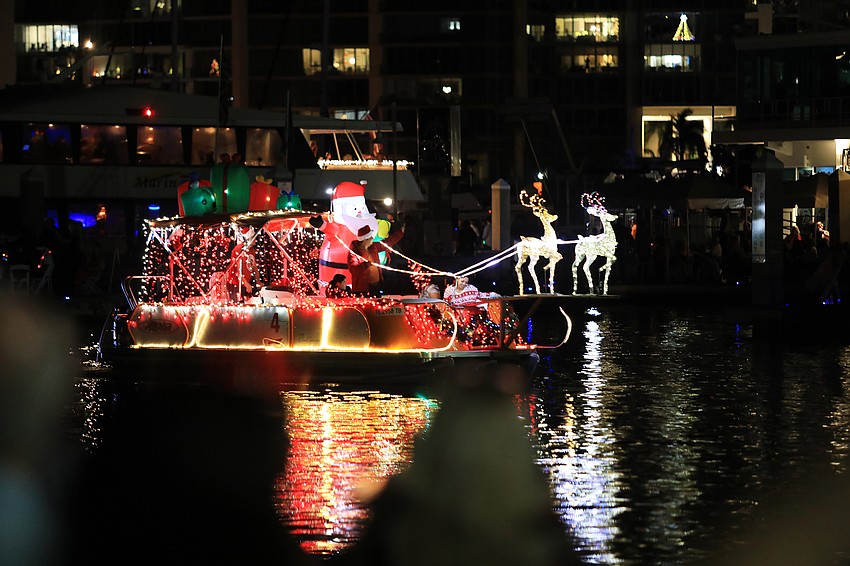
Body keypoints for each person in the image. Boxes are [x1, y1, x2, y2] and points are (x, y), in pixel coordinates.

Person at [348, 224, 405, 296]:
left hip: (376, 286)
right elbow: (353, 269)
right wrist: (366, 265)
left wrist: (400, 232)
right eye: (370, 237)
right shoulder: (354, 252)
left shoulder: (373, 247)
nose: (372, 238)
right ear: (365, 239)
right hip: (363, 289)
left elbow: (387, 242)